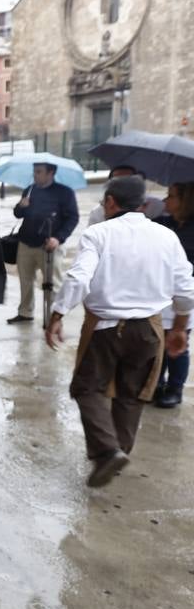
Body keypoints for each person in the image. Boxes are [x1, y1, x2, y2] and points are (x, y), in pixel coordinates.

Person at [45, 176, 194, 487]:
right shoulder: (166, 237)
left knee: (87, 388)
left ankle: (108, 452)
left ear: (111, 202)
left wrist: (57, 314)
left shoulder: (98, 234)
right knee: (132, 393)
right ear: (142, 204)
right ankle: (117, 452)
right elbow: (185, 289)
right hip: (150, 329)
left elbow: (78, 278)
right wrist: (180, 329)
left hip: (105, 328)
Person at [8, 162, 79, 324]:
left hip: (50, 244)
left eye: (39, 172)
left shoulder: (64, 193)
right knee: (25, 280)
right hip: (26, 242)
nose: (35, 175)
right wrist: (21, 206)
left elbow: (73, 218)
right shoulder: (30, 190)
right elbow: (18, 214)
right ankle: (25, 312)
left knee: (53, 282)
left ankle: (55, 316)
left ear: (51, 173)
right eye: (34, 171)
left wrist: (58, 238)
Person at [154, 181, 194, 407]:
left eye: (171, 196)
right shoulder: (161, 223)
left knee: (177, 341)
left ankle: (175, 388)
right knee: (156, 340)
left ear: (185, 201)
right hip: (159, 292)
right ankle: (156, 382)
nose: (165, 201)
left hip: (185, 293)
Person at [86, 166, 165, 224]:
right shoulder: (97, 213)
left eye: (128, 180)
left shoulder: (157, 206)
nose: (124, 186)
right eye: (117, 181)